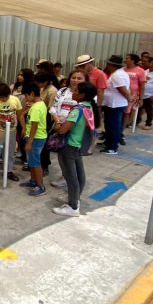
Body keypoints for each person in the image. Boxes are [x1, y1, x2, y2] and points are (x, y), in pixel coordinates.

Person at [52, 82, 98, 217]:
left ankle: (72, 206)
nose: (73, 92)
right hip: (79, 145)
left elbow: (63, 130)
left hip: (69, 146)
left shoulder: (78, 110)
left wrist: (57, 126)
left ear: (82, 94)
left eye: (76, 90)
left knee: (71, 177)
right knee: (79, 175)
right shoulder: (89, 107)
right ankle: (75, 199)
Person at [0, 83, 23, 183]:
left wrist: (23, 127)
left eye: (6, 97)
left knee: (10, 151)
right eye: (1, 97)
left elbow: (20, 114)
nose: (4, 99)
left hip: (12, 130)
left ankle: (8, 171)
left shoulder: (15, 100)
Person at [19, 83, 47, 196]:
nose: (25, 98)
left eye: (26, 95)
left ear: (31, 94)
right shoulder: (40, 104)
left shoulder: (35, 108)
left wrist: (29, 142)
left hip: (36, 138)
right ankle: (33, 181)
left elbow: (34, 126)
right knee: (32, 161)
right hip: (36, 137)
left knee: (35, 162)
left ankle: (41, 186)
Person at [101, 55, 131, 155]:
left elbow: (122, 89)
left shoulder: (117, 75)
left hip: (115, 105)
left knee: (113, 125)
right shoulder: (119, 74)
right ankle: (109, 142)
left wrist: (129, 98)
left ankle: (112, 147)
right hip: (112, 104)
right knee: (110, 125)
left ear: (110, 65)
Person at [123, 54, 145, 129]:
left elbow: (142, 85)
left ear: (132, 60)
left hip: (133, 95)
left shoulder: (140, 71)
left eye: (127, 58)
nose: (125, 59)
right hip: (122, 94)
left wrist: (141, 98)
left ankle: (124, 127)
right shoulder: (123, 69)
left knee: (127, 112)